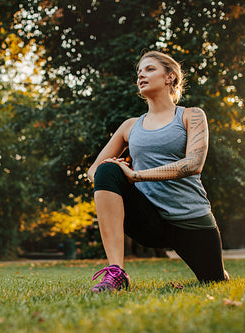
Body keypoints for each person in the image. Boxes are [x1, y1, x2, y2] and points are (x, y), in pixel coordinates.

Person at [87, 50, 229, 293]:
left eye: (150, 69)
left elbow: (194, 163)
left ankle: (217, 269)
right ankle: (116, 273)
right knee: (107, 170)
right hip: (150, 220)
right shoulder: (129, 126)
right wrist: (121, 176)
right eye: (139, 72)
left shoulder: (190, 115)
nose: (141, 75)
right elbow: (94, 172)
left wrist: (136, 176)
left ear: (170, 77)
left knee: (214, 280)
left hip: (191, 220)